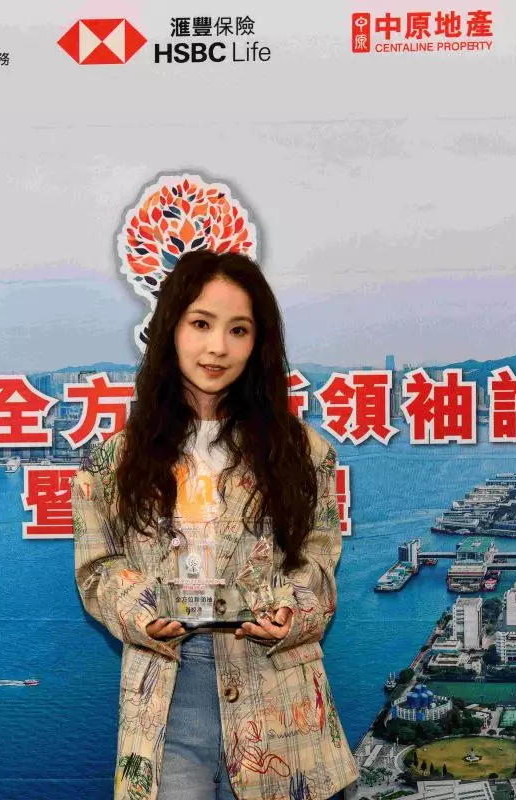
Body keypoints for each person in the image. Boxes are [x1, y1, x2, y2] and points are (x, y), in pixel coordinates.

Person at [72, 250, 359, 800]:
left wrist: (291, 611)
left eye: (239, 330)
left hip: (279, 694)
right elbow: (97, 569)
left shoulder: (305, 454)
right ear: (170, 329)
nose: (218, 347)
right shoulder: (109, 463)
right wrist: (142, 611)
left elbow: (319, 558)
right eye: (201, 323)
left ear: (259, 343)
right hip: (166, 696)